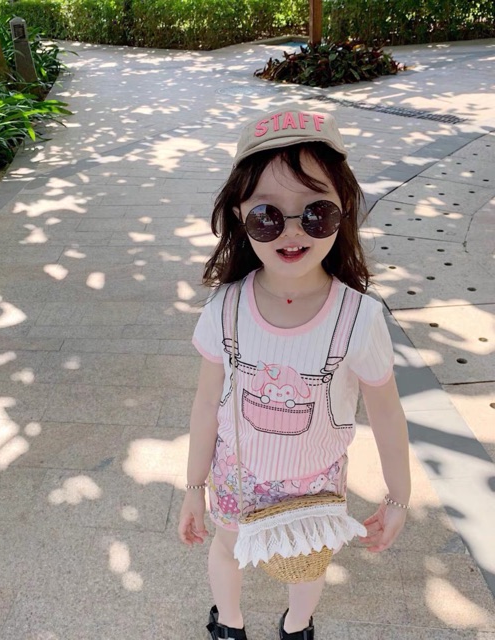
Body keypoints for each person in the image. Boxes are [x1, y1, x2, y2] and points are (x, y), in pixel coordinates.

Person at [177, 109, 411, 640]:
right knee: (228, 549)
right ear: (239, 214)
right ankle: (229, 623)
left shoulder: (359, 317)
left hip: (315, 481)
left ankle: (297, 625)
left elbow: (387, 412)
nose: (291, 231)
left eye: (315, 213)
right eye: (267, 215)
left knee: (307, 565)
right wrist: (193, 487)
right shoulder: (224, 308)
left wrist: (399, 496)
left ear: (344, 209)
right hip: (237, 474)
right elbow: (206, 403)